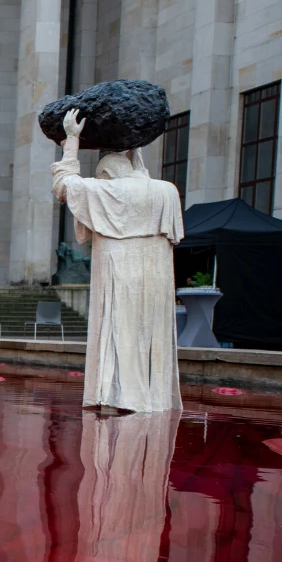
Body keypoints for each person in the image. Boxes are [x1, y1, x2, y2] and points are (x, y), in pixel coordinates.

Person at [52, 108, 183, 413]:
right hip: (155, 275)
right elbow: (141, 177)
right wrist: (134, 146)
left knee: (116, 330)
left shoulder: (107, 190)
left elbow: (64, 184)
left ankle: (114, 395)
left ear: (106, 175)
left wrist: (71, 140)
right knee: (146, 331)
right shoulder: (166, 193)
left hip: (120, 271)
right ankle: (151, 397)